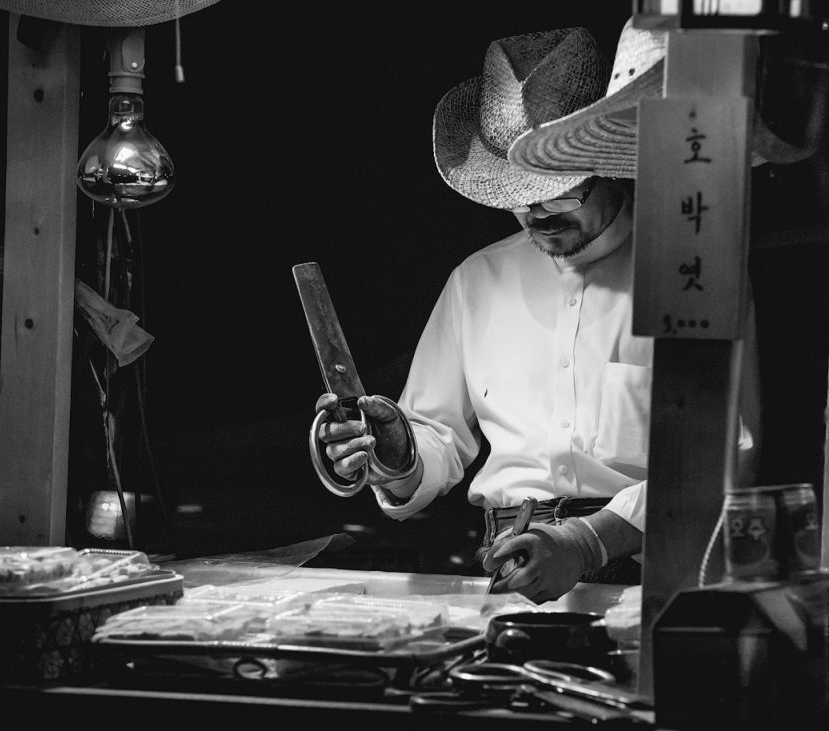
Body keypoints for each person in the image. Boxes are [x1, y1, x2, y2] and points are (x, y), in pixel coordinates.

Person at [312, 21, 770, 604]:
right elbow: (434, 439)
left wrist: (585, 542)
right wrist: (399, 452)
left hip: (654, 571)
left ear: (610, 161)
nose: (535, 213)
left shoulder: (689, 266)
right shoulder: (477, 280)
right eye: (515, 195)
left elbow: (728, 451)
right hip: (507, 566)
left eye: (559, 187)